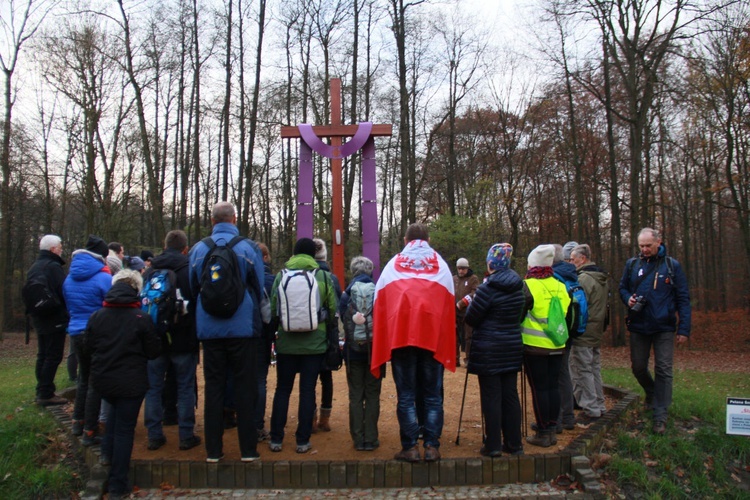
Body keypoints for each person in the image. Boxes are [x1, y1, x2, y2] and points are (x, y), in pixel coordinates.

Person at [370, 223, 456, 463]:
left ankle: (410, 447)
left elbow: (380, 301)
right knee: (432, 395)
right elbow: (449, 302)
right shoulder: (441, 265)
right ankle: (431, 446)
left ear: (405, 239)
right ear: (428, 238)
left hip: (402, 337)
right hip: (432, 339)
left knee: (406, 394)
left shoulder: (392, 265)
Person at [189, 201, 265, 462]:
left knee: (214, 387)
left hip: (209, 330)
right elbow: (257, 285)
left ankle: (213, 451)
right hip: (242, 328)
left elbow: (192, 287)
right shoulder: (248, 248)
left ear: (212, 221)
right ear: (234, 219)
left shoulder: (199, 250)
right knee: (245, 388)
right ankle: (248, 450)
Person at [85, 269, 162, 499]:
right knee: (124, 429)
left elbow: (88, 349)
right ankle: (118, 483)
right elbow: (154, 351)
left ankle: (107, 460)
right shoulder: (141, 318)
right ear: (136, 291)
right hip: (131, 383)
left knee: (113, 422)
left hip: (104, 381)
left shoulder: (97, 317)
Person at [618, 228, 691, 435]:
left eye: (648, 245)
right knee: (638, 367)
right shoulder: (632, 265)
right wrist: (628, 298)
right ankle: (652, 393)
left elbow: (683, 299)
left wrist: (683, 328)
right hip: (639, 325)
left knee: (664, 370)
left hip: (664, 326)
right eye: (641, 246)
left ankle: (660, 415)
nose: (645, 249)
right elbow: (622, 288)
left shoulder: (671, 266)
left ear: (658, 242)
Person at [268, 238, 337, 454]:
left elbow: (273, 310)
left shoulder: (281, 276)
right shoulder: (323, 276)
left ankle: (276, 439)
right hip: (314, 345)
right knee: (308, 391)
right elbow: (333, 310)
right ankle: (302, 440)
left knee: (282, 390)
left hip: (287, 344)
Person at [464, 243, 526, 457]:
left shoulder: (487, 289)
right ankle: (514, 443)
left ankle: (493, 445)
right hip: (511, 346)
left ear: (491, 263)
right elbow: (522, 313)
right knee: (510, 395)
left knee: (491, 397)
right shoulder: (519, 286)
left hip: (489, 350)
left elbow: (471, 317)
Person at [143, 230, 202, 452]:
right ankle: (186, 435)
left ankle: (154, 435)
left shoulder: (150, 270)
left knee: (154, 386)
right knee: (185, 386)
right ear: (185, 248)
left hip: (155, 336)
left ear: (164, 245)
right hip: (184, 337)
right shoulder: (190, 270)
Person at [521, 244, 573, 448]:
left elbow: (519, 313)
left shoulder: (528, 285)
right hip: (558, 344)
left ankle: (544, 432)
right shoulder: (560, 285)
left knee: (540, 389)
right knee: (553, 387)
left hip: (535, 347)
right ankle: (552, 425)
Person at [63, 235, 112, 445]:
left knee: (83, 378)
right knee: (95, 382)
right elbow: (110, 305)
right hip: (96, 334)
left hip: (75, 332)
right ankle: (90, 431)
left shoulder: (69, 278)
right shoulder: (103, 278)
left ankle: (77, 421)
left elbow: (67, 303)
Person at [339, 256, 382, 451]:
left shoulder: (346, 294)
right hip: (375, 352)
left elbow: (342, 321)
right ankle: (371, 439)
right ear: (370, 271)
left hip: (353, 351)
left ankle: (358, 438)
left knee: (355, 395)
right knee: (372, 394)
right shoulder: (379, 291)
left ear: (353, 272)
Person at [26, 235, 69, 406]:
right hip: (54, 315)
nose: (61, 249)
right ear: (53, 249)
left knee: (42, 354)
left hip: (38, 316)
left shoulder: (34, 267)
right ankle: (46, 393)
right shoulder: (53, 267)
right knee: (52, 355)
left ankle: (42, 389)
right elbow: (64, 290)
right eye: (60, 246)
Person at [569, 244, 609, 422]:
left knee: (582, 369)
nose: (571, 262)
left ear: (582, 258)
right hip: (596, 329)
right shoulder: (601, 277)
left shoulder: (584, 279)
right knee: (593, 368)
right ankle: (599, 404)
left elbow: (578, 307)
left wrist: (573, 328)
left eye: (572, 259)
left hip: (584, 331)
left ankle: (590, 408)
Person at [311, 237, 342, 432]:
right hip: (327, 334)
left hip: (308, 334)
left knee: (310, 378)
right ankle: (324, 419)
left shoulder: (304, 275)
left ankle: (311, 417)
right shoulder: (332, 279)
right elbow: (336, 307)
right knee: (326, 376)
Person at [550, 242, 579, 433]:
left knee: (555, 376)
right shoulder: (572, 273)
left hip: (555, 332)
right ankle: (568, 416)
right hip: (568, 331)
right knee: (563, 374)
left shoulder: (555, 277)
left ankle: (558, 418)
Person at [255, 242, 276, 442]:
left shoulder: (243, 276)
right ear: (266, 257)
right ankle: (258, 426)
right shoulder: (272, 279)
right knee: (260, 380)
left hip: (242, 335)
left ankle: (237, 419)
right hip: (263, 337)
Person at [453, 258, 480, 367]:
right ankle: (455, 359)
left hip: (468, 312)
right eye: (459, 268)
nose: (461, 271)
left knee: (468, 336)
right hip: (455, 312)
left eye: (463, 268)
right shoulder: (454, 279)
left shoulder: (473, 279)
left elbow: (475, 293)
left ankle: (469, 359)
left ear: (467, 268)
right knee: (454, 337)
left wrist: (462, 303)